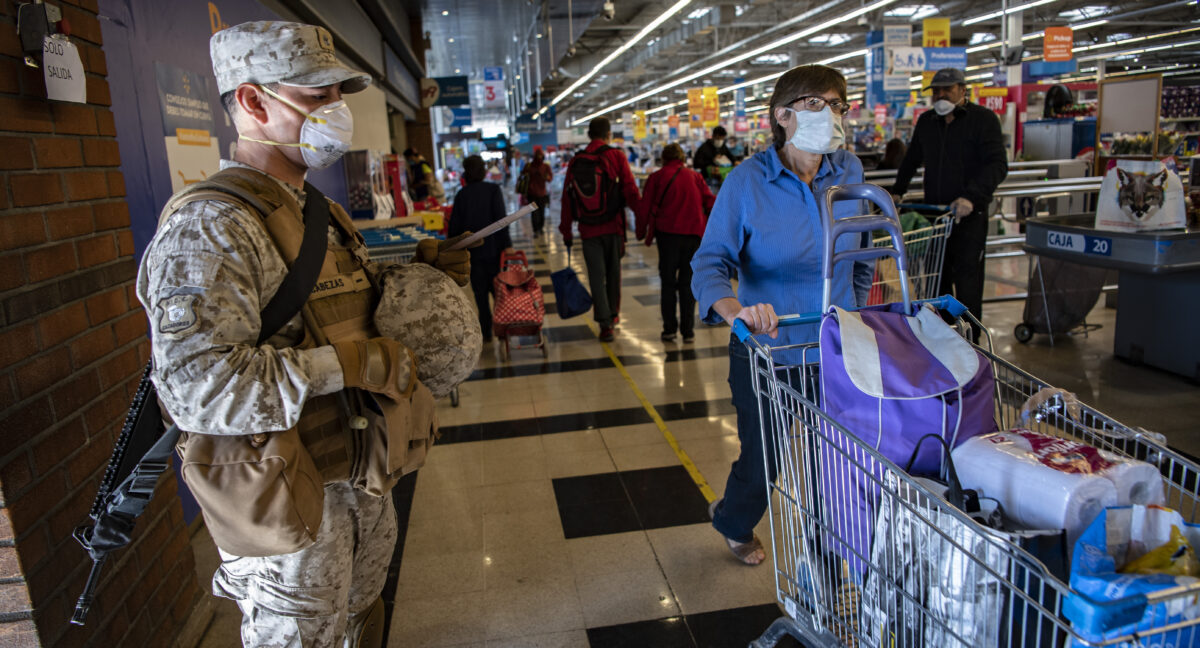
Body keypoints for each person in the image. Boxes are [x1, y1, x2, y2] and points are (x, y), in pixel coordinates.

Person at [137, 21, 474, 647]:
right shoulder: (212, 226)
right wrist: (342, 366)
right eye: (316, 94)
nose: (336, 110)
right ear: (253, 101)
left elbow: (343, 314)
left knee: (360, 624)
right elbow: (194, 387)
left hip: (358, 478)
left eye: (336, 93)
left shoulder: (319, 211)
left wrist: (421, 287)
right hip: (288, 507)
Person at [692, 64, 863, 566]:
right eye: (818, 104)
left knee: (837, 459)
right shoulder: (747, 183)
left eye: (838, 104)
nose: (831, 114)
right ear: (782, 115)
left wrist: (865, 316)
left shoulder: (849, 172)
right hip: (769, 350)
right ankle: (734, 520)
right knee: (764, 457)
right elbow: (709, 264)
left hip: (836, 348)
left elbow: (860, 254)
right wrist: (737, 310)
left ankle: (830, 546)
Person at [889, 67, 1008, 341]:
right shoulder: (927, 122)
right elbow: (911, 159)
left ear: (963, 91)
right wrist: (897, 191)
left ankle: (971, 341)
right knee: (936, 280)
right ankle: (943, 338)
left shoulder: (983, 120)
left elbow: (998, 165)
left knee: (967, 282)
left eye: (947, 90)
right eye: (936, 91)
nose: (941, 95)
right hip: (936, 219)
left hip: (969, 217)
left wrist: (971, 197)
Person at [560, 117, 642, 342]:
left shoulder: (576, 160)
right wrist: (644, 219)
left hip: (587, 230)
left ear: (588, 135)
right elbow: (630, 191)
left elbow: (567, 198)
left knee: (596, 277)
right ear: (607, 135)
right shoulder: (616, 156)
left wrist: (566, 230)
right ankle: (613, 318)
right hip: (613, 227)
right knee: (613, 275)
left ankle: (604, 324)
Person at [636, 143, 714, 343]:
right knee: (688, 284)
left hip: (667, 236)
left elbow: (644, 208)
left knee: (668, 283)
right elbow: (710, 203)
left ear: (664, 158)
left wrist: (640, 231)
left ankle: (669, 329)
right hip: (693, 236)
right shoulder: (695, 177)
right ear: (681, 157)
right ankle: (688, 331)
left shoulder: (656, 177)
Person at [451, 155, 513, 341]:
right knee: (498, 292)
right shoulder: (493, 190)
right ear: (483, 171)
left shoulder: (462, 195)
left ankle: (485, 332)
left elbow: (454, 228)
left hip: (473, 255)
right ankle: (502, 330)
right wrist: (507, 245)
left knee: (480, 295)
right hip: (495, 251)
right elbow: (502, 221)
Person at [520, 148, 553, 236]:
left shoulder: (545, 166)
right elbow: (522, 177)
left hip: (541, 193)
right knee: (535, 213)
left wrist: (545, 177)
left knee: (541, 212)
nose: (539, 158)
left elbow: (550, 178)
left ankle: (540, 228)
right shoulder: (529, 166)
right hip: (532, 194)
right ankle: (536, 230)